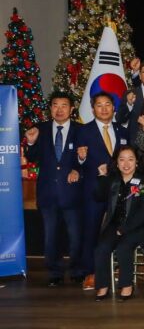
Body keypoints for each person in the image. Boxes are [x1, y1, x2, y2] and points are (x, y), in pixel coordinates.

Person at [25, 93, 86, 287]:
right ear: (50, 108)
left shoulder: (81, 130)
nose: (59, 109)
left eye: (64, 105)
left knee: (76, 237)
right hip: (48, 193)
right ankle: (54, 273)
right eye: (55, 105)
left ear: (71, 109)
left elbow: (88, 160)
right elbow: (32, 157)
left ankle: (77, 270)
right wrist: (31, 142)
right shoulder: (40, 129)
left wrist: (79, 167)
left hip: (73, 194)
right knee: (50, 237)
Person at [77, 92, 129, 290]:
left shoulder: (122, 131)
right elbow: (74, 161)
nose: (104, 108)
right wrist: (81, 158)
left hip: (119, 191)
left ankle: (119, 270)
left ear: (114, 108)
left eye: (108, 104)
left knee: (119, 231)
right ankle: (90, 273)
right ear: (93, 109)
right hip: (94, 191)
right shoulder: (83, 131)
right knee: (91, 232)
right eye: (99, 105)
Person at [91, 145, 144, 301]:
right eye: (122, 160)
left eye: (130, 159)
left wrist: (125, 228)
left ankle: (126, 286)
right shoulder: (113, 179)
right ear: (117, 163)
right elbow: (98, 196)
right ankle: (103, 286)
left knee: (123, 247)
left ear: (137, 162)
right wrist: (101, 176)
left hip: (137, 226)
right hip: (114, 224)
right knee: (101, 248)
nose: (126, 164)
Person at [116, 59, 144, 130]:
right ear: (140, 75)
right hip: (136, 136)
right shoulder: (130, 94)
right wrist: (129, 105)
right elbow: (120, 119)